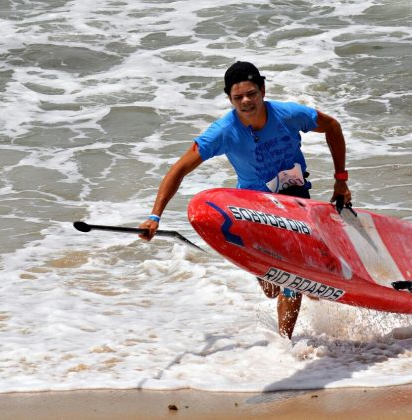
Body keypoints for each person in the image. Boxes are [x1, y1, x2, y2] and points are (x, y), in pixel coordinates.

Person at [139, 61, 351, 339]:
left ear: (263, 90)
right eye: (238, 97)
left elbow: (332, 127)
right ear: (229, 99)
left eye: (251, 93)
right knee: (272, 286)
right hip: (254, 210)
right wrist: (155, 216)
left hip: (295, 202)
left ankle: (284, 344)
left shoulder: (288, 115)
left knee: (292, 276)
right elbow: (179, 168)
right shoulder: (224, 131)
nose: (246, 101)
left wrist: (340, 179)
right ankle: (302, 284)